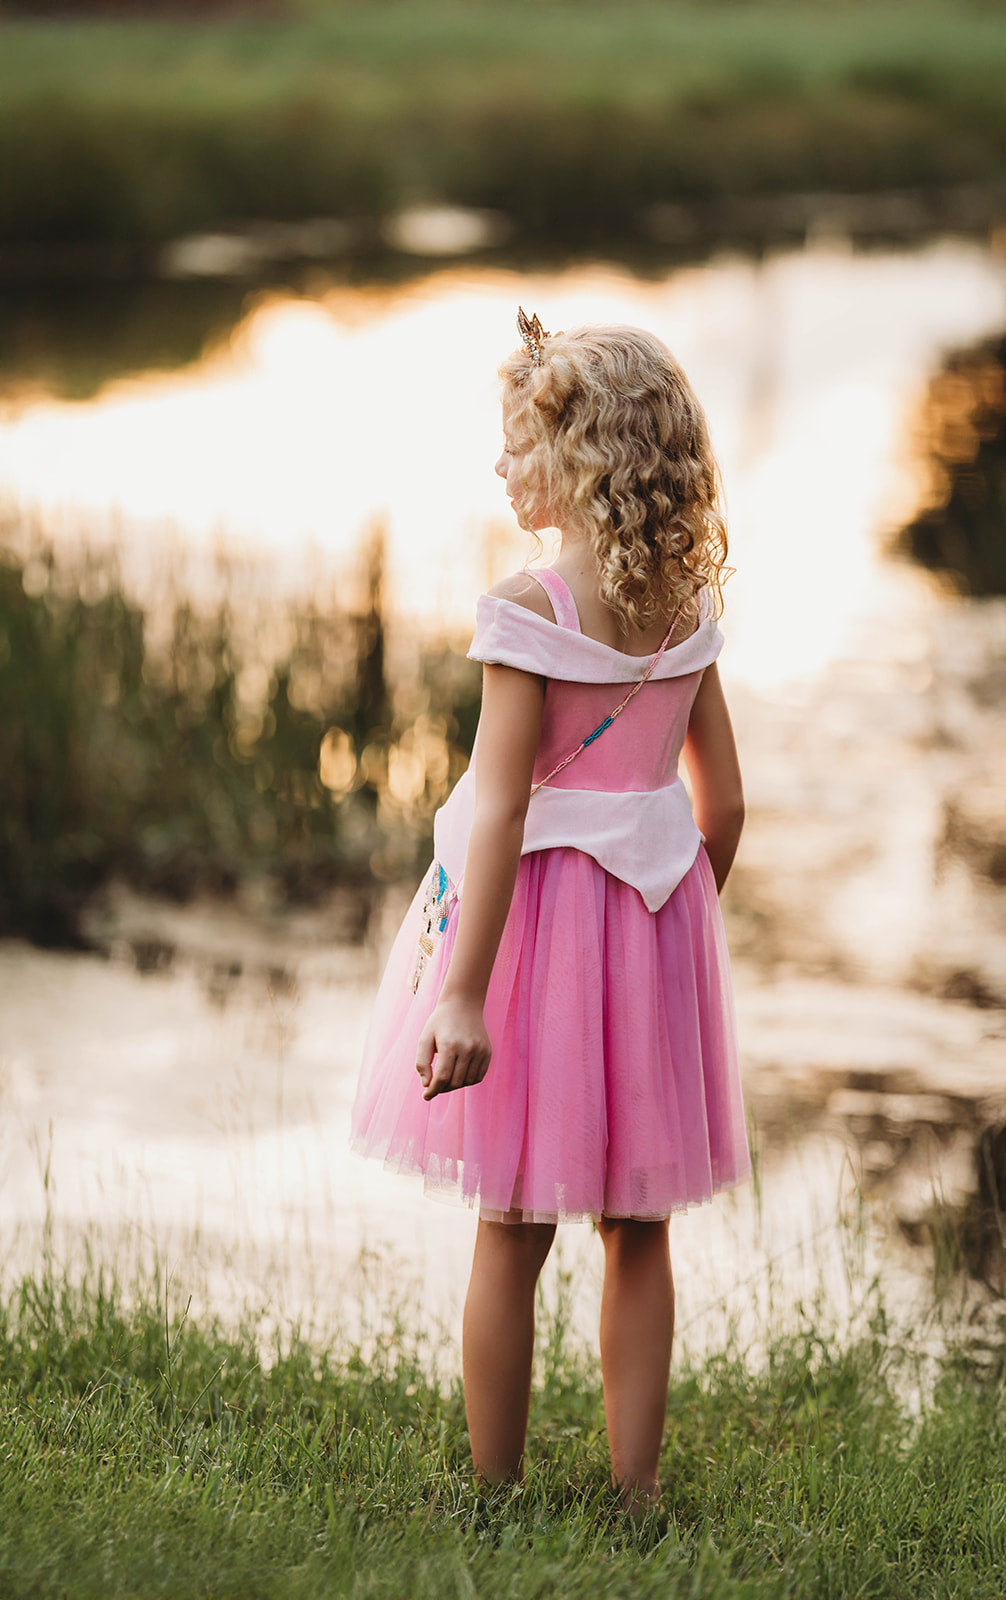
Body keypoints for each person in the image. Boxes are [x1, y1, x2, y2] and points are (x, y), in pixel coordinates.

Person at [351, 310, 749, 1515]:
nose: (500, 462)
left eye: (519, 441)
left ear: (580, 457)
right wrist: (673, 930)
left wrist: (464, 993)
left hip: (526, 942)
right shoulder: (683, 604)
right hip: (650, 928)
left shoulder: (531, 606)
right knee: (639, 1226)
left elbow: (500, 809)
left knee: (512, 1221)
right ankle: (637, 1491)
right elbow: (725, 804)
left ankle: (495, 1491)